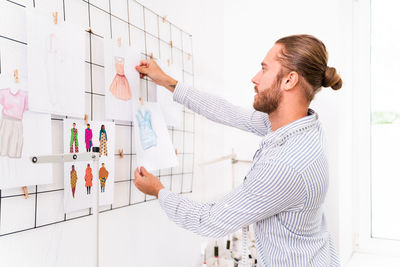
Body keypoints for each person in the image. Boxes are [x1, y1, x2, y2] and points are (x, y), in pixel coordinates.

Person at [134, 34, 342, 266]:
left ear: (289, 80)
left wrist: (158, 190)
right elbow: (228, 112)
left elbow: (208, 221)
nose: (255, 78)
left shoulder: (285, 165)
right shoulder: (302, 127)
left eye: (264, 69)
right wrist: (167, 82)